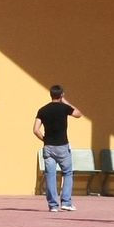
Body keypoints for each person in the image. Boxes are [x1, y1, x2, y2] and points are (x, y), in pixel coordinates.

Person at [32, 84, 82, 212]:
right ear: (61, 95)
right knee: (67, 173)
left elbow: (35, 130)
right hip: (62, 146)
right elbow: (78, 114)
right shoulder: (64, 108)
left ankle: (53, 205)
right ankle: (66, 202)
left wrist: (45, 139)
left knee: (50, 175)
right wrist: (64, 100)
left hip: (48, 147)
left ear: (50, 95)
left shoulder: (42, 110)